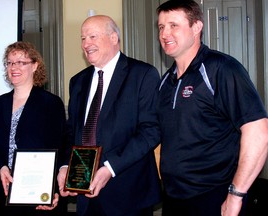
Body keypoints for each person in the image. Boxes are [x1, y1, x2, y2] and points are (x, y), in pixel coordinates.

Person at [155, 0, 268, 216]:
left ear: (197, 27)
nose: (165, 33)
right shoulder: (165, 81)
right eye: (161, 27)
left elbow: (258, 133)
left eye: (173, 25)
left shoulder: (222, 69)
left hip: (215, 198)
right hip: (173, 198)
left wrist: (236, 196)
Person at [57, 15, 162, 216]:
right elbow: (71, 132)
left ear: (114, 38)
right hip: (85, 196)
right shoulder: (78, 81)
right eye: (83, 38)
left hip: (127, 193)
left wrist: (110, 167)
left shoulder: (142, 74)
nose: (86, 44)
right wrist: (64, 165)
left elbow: (151, 131)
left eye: (93, 36)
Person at [0, 41, 67, 216]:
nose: (14, 67)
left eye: (21, 62)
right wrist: (0, 167)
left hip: (40, 196)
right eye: (10, 62)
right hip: (4, 193)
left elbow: (62, 146)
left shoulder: (51, 103)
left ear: (35, 66)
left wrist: (53, 190)